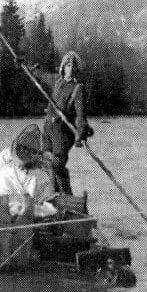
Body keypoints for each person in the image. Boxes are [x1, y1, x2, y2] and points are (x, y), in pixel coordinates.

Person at [42, 51, 93, 195]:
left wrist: (80, 134)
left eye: (73, 66)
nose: (70, 69)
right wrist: (24, 64)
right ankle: (58, 197)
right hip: (48, 130)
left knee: (56, 164)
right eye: (68, 65)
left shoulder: (78, 89)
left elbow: (81, 115)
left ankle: (63, 196)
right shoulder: (56, 82)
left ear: (77, 70)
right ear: (63, 67)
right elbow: (40, 75)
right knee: (46, 162)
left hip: (63, 133)